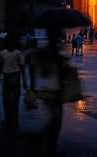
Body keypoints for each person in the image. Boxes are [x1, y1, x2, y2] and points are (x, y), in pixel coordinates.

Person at [35, 26, 67, 156]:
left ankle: (51, 142)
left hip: (49, 89)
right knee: (57, 118)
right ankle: (48, 142)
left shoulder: (47, 51)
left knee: (56, 118)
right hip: (54, 89)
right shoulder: (53, 52)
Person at [0, 34, 27, 130]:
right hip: (6, 77)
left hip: (15, 76)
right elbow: (0, 66)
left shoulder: (18, 53)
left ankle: (14, 120)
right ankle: (9, 119)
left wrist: (24, 80)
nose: (11, 45)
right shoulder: (2, 53)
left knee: (14, 100)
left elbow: (22, 67)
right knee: (6, 100)